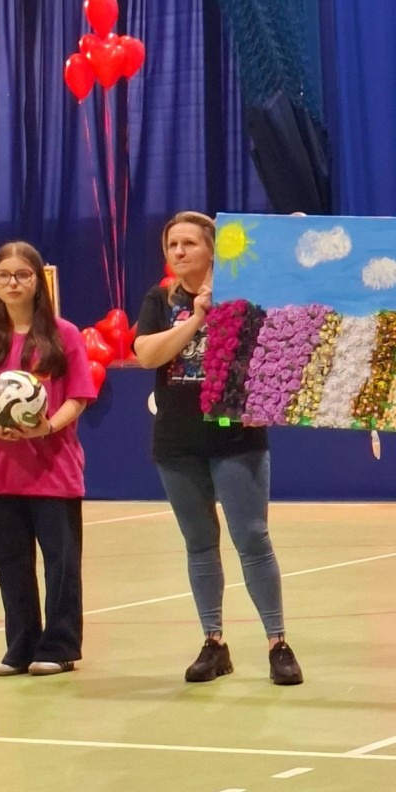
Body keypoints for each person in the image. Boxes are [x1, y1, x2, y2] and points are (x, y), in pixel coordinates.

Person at [133, 211, 302, 687]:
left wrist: (291, 235)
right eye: (172, 245)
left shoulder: (244, 295)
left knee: (252, 538)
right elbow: (146, 354)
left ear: (212, 249)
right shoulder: (160, 300)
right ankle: (214, 642)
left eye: (189, 243)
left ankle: (277, 643)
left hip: (236, 439)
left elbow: (281, 337)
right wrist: (196, 319)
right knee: (200, 543)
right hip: (177, 442)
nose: (179, 252)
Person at [0, 242, 96, 676]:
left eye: (22, 274)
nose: (13, 282)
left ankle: (58, 647)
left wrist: (48, 427)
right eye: (4, 275)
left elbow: (78, 396)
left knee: (61, 563)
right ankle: (20, 646)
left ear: (38, 282)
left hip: (52, 469)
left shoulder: (64, 335)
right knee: (11, 563)